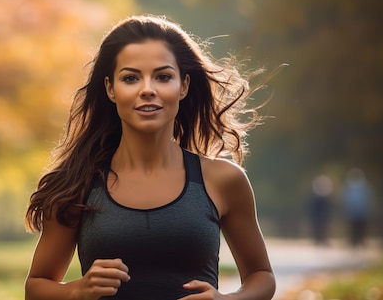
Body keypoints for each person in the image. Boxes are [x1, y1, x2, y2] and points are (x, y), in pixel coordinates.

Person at [24, 15, 275, 300]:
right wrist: (77, 291)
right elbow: (36, 286)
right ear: (110, 89)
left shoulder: (224, 180)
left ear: (183, 85)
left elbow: (261, 276)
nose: (147, 89)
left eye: (163, 76)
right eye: (130, 78)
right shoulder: (77, 184)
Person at [342, 168, 371, 247]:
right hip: (353, 212)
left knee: (361, 227)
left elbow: (367, 199)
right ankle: (354, 240)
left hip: (361, 212)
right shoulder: (349, 187)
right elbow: (346, 199)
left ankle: (361, 240)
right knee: (353, 227)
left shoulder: (364, 187)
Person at [307, 174, 333, 246]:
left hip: (323, 216)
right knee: (317, 227)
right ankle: (317, 240)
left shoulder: (325, 197)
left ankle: (323, 239)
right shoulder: (316, 197)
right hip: (317, 216)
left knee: (324, 227)